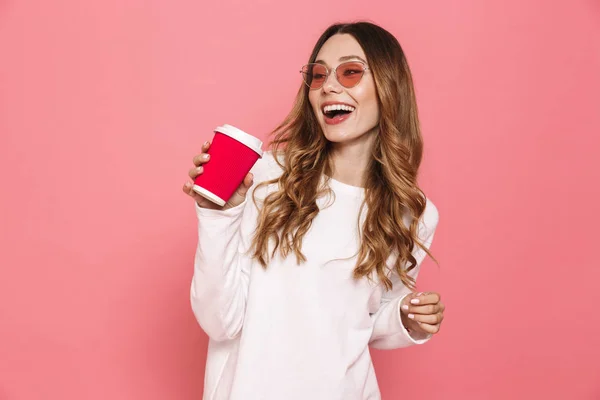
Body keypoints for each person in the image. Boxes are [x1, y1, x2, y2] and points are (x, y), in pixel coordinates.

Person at [182, 21, 445, 400]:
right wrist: (217, 215)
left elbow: (364, 319)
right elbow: (219, 321)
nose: (329, 87)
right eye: (318, 75)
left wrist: (405, 316)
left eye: (350, 72)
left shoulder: (412, 214)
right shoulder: (264, 178)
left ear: (390, 87)